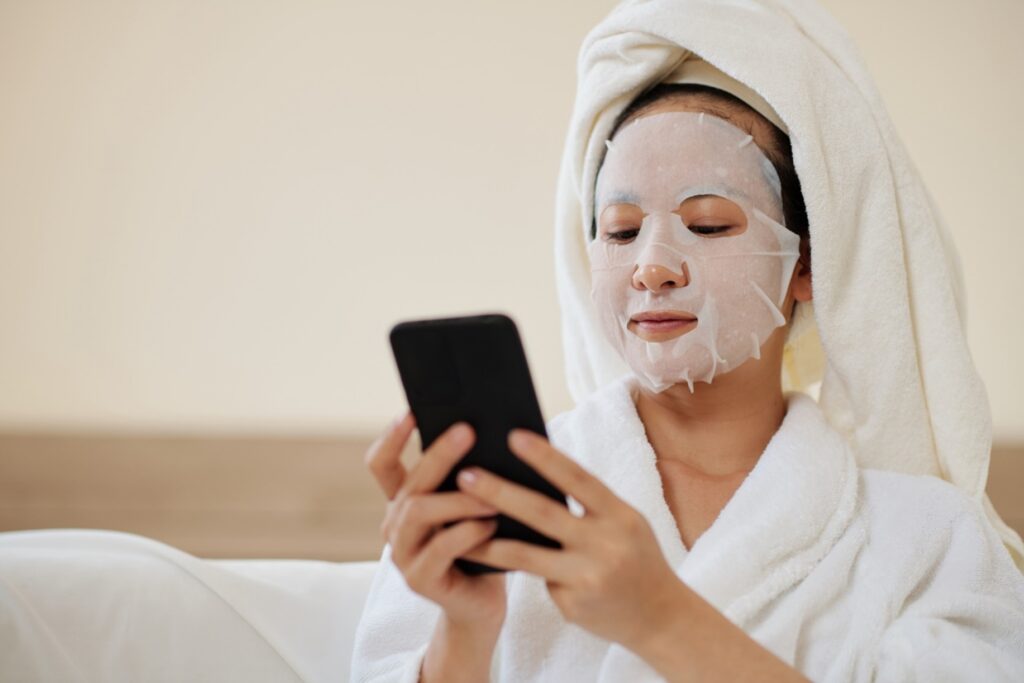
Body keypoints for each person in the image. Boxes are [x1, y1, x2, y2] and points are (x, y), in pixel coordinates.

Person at [350, 1, 1024, 681]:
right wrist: (462, 633)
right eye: (619, 230)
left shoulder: (928, 537)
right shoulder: (497, 507)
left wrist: (662, 618)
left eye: (707, 224)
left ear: (807, 264)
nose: (652, 265)